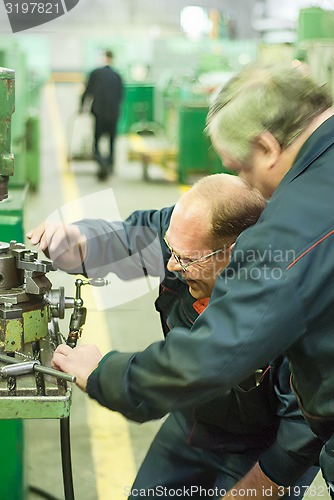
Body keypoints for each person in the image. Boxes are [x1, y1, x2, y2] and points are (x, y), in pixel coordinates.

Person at [27, 174, 321, 499]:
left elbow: (300, 434)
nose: (170, 264)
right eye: (171, 250)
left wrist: (253, 489)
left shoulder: (294, 304)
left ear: (236, 253)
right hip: (195, 422)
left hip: (268, 448)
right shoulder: (186, 237)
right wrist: (83, 243)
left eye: (186, 260)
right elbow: (133, 238)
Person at [80, 49, 123, 180]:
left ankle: (100, 162)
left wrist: (81, 107)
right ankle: (110, 165)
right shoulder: (117, 76)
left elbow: (87, 92)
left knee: (97, 140)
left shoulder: (95, 73)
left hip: (99, 113)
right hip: (113, 113)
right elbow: (121, 96)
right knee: (111, 140)